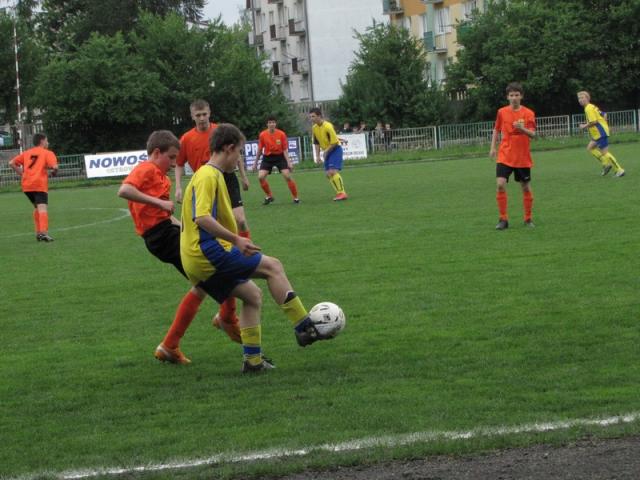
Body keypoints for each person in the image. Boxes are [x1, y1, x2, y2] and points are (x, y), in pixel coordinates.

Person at [180, 123, 332, 374]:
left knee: (252, 296)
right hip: (207, 252)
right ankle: (305, 327)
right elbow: (202, 217)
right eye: (239, 152)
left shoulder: (209, 174)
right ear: (228, 148)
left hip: (195, 258)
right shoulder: (208, 175)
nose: (239, 158)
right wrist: (237, 240)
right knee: (273, 267)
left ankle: (253, 362)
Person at [118, 130, 239, 365]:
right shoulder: (147, 169)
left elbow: (164, 216)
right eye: (171, 157)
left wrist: (185, 226)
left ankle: (170, 345)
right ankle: (227, 317)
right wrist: (159, 202)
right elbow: (124, 190)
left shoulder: (161, 177)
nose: (174, 163)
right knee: (214, 269)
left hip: (165, 232)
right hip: (161, 236)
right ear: (156, 152)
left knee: (202, 283)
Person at [174, 99, 251, 342]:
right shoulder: (186, 139)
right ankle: (227, 313)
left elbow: (236, 155)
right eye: (198, 115)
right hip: (205, 181)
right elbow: (179, 164)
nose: (202, 118)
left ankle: (243, 251)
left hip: (226, 177)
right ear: (192, 116)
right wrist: (178, 187)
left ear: (210, 113)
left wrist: (243, 176)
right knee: (215, 232)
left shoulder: (220, 131)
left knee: (240, 221)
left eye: (205, 114)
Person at [489, 82, 536, 230]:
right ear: (507, 97)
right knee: (500, 184)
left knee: (525, 188)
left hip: (522, 157)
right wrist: (493, 147)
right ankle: (503, 219)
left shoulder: (528, 113)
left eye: (516, 95)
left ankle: (528, 219)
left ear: (521, 96)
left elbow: (533, 134)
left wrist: (522, 129)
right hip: (505, 155)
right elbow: (496, 129)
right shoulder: (502, 112)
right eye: (511, 95)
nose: (514, 98)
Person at [9, 133, 58, 242]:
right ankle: (44, 233)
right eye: (47, 140)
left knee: (37, 208)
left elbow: (11, 163)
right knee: (42, 208)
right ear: (42, 141)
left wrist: (22, 174)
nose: (48, 143)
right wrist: (54, 172)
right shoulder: (47, 153)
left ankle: (38, 233)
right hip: (39, 184)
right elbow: (55, 167)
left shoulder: (27, 153)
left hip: (27, 185)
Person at [253, 115, 299, 205]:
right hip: (267, 158)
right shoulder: (262, 135)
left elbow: (285, 150)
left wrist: (289, 163)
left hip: (280, 157)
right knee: (260, 177)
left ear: (276, 124)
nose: (271, 124)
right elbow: (259, 150)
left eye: (273, 122)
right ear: (267, 124)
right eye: (270, 122)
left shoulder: (281, 134)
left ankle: (296, 198)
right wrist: (255, 163)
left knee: (287, 176)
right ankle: (269, 196)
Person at [577, 91, 625, 177]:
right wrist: (604, 123)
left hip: (600, 133)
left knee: (605, 152)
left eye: (582, 98)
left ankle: (619, 170)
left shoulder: (588, 108)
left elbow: (594, 122)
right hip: (597, 133)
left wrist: (584, 126)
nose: (580, 100)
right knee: (590, 148)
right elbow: (604, 114)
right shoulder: (592, 106)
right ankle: (606, 164)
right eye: (579, 98)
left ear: (587, 98)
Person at [309, 107, 348, 201]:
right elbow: (316, 143)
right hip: (327, 151)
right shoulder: (314, 128)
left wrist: (326, 151)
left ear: (319, 116)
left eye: (313, 116)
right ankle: (339, 193)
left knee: (332, 172)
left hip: (335, 149)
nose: (311, 119)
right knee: (328, 174)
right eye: (310, 117)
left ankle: (342, 193)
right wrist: (317, 156)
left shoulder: (328, 126)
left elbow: (334, 142)